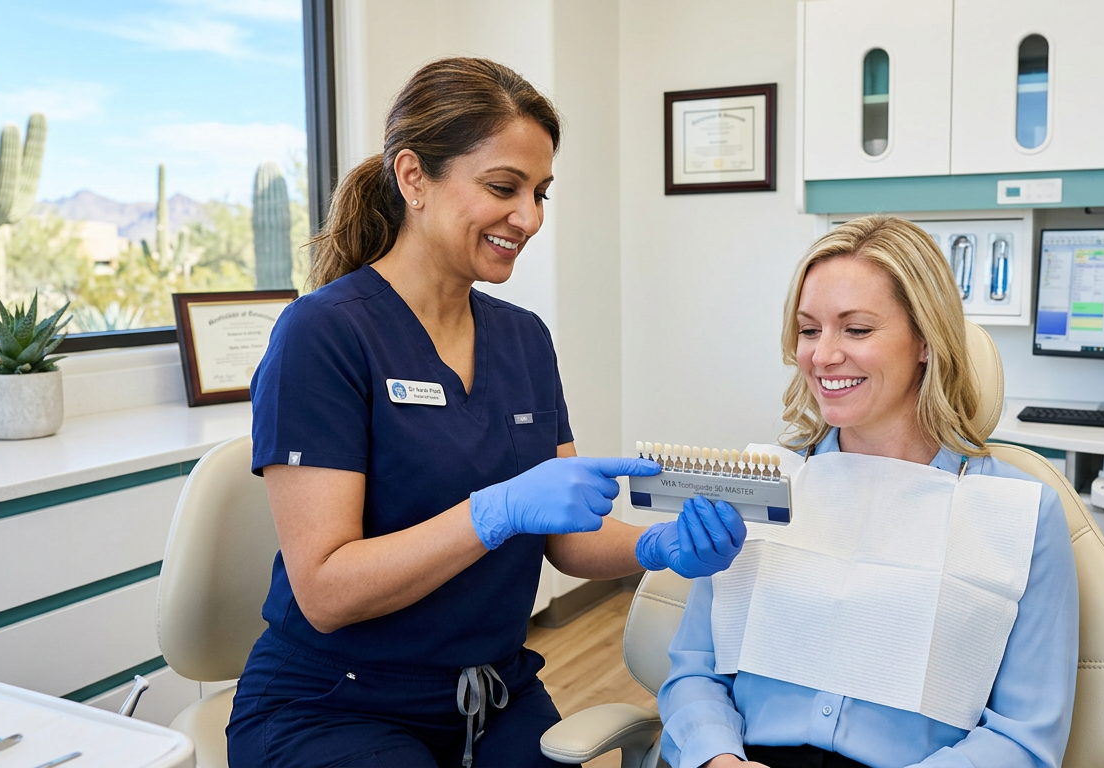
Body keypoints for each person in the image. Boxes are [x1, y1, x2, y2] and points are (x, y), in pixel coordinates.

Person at [226, 57, 747, 768]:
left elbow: (568, 540)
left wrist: (659, 549)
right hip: (334, 703)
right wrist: (494, 510)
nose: (528, 218)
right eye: (504, 188)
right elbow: (324, 590)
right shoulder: (324, 336)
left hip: (491, 696)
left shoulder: (522, 338)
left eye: (540, 194)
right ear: (414, 178)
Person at [657, 216, 1079, 768]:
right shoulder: (762, 485)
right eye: (810, 330)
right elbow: (694, 670)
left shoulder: (1017, 515)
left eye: (856, 330)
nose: (824, 355)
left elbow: (1024, 739)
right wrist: (717, 758)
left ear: (926, 341)